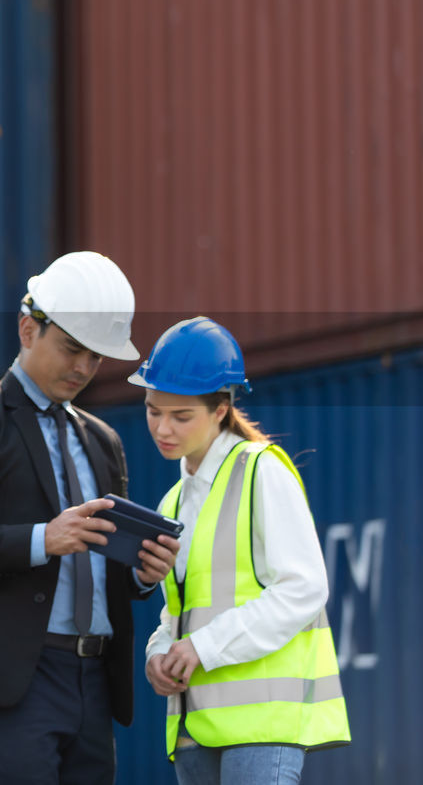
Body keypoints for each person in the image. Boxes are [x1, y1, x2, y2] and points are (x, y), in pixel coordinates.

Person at [0, 251, 181, 785]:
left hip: (94, 680)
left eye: (96, 358)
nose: (83, 368)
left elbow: (107, 572)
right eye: (72, 349)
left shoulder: (104, 441)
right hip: (15, 682)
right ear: (27, 328)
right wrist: (42, 540)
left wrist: (142, 576)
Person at [130, 317, 349, 784]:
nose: (162, 428)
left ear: (221, 409)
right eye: (153, 410)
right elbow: (181, 613)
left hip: (261, 725)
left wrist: (202, 648)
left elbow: (305, 589)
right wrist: (160, 652)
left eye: (180, 415)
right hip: (194, 727)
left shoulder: (261, 473)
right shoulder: (173, 501)